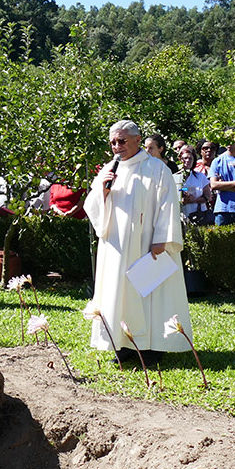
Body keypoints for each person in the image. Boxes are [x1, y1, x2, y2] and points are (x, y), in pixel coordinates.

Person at [83, 120, 192, 367]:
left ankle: (153, 346)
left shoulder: (156, 169)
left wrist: (161, 240)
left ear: (136, 139)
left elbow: (168, 204)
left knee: (150, 294)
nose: (116, 147)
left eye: (121, 141)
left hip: (148, 246)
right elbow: (93, 206)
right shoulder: (109, 170)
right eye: (112, 142)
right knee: (119, 293)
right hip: (117, 248)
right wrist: (103, 191)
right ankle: (121, 343)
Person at [177, 144, 213, 225]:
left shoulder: (200, 177)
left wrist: (194, 200)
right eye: (185, 158)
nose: (187, 161)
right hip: (181, 215)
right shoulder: (175, 177)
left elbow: (208, 196)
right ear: (180, 159)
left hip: (199, 215)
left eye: (190, 158)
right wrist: (183, 193)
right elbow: (180, 189)